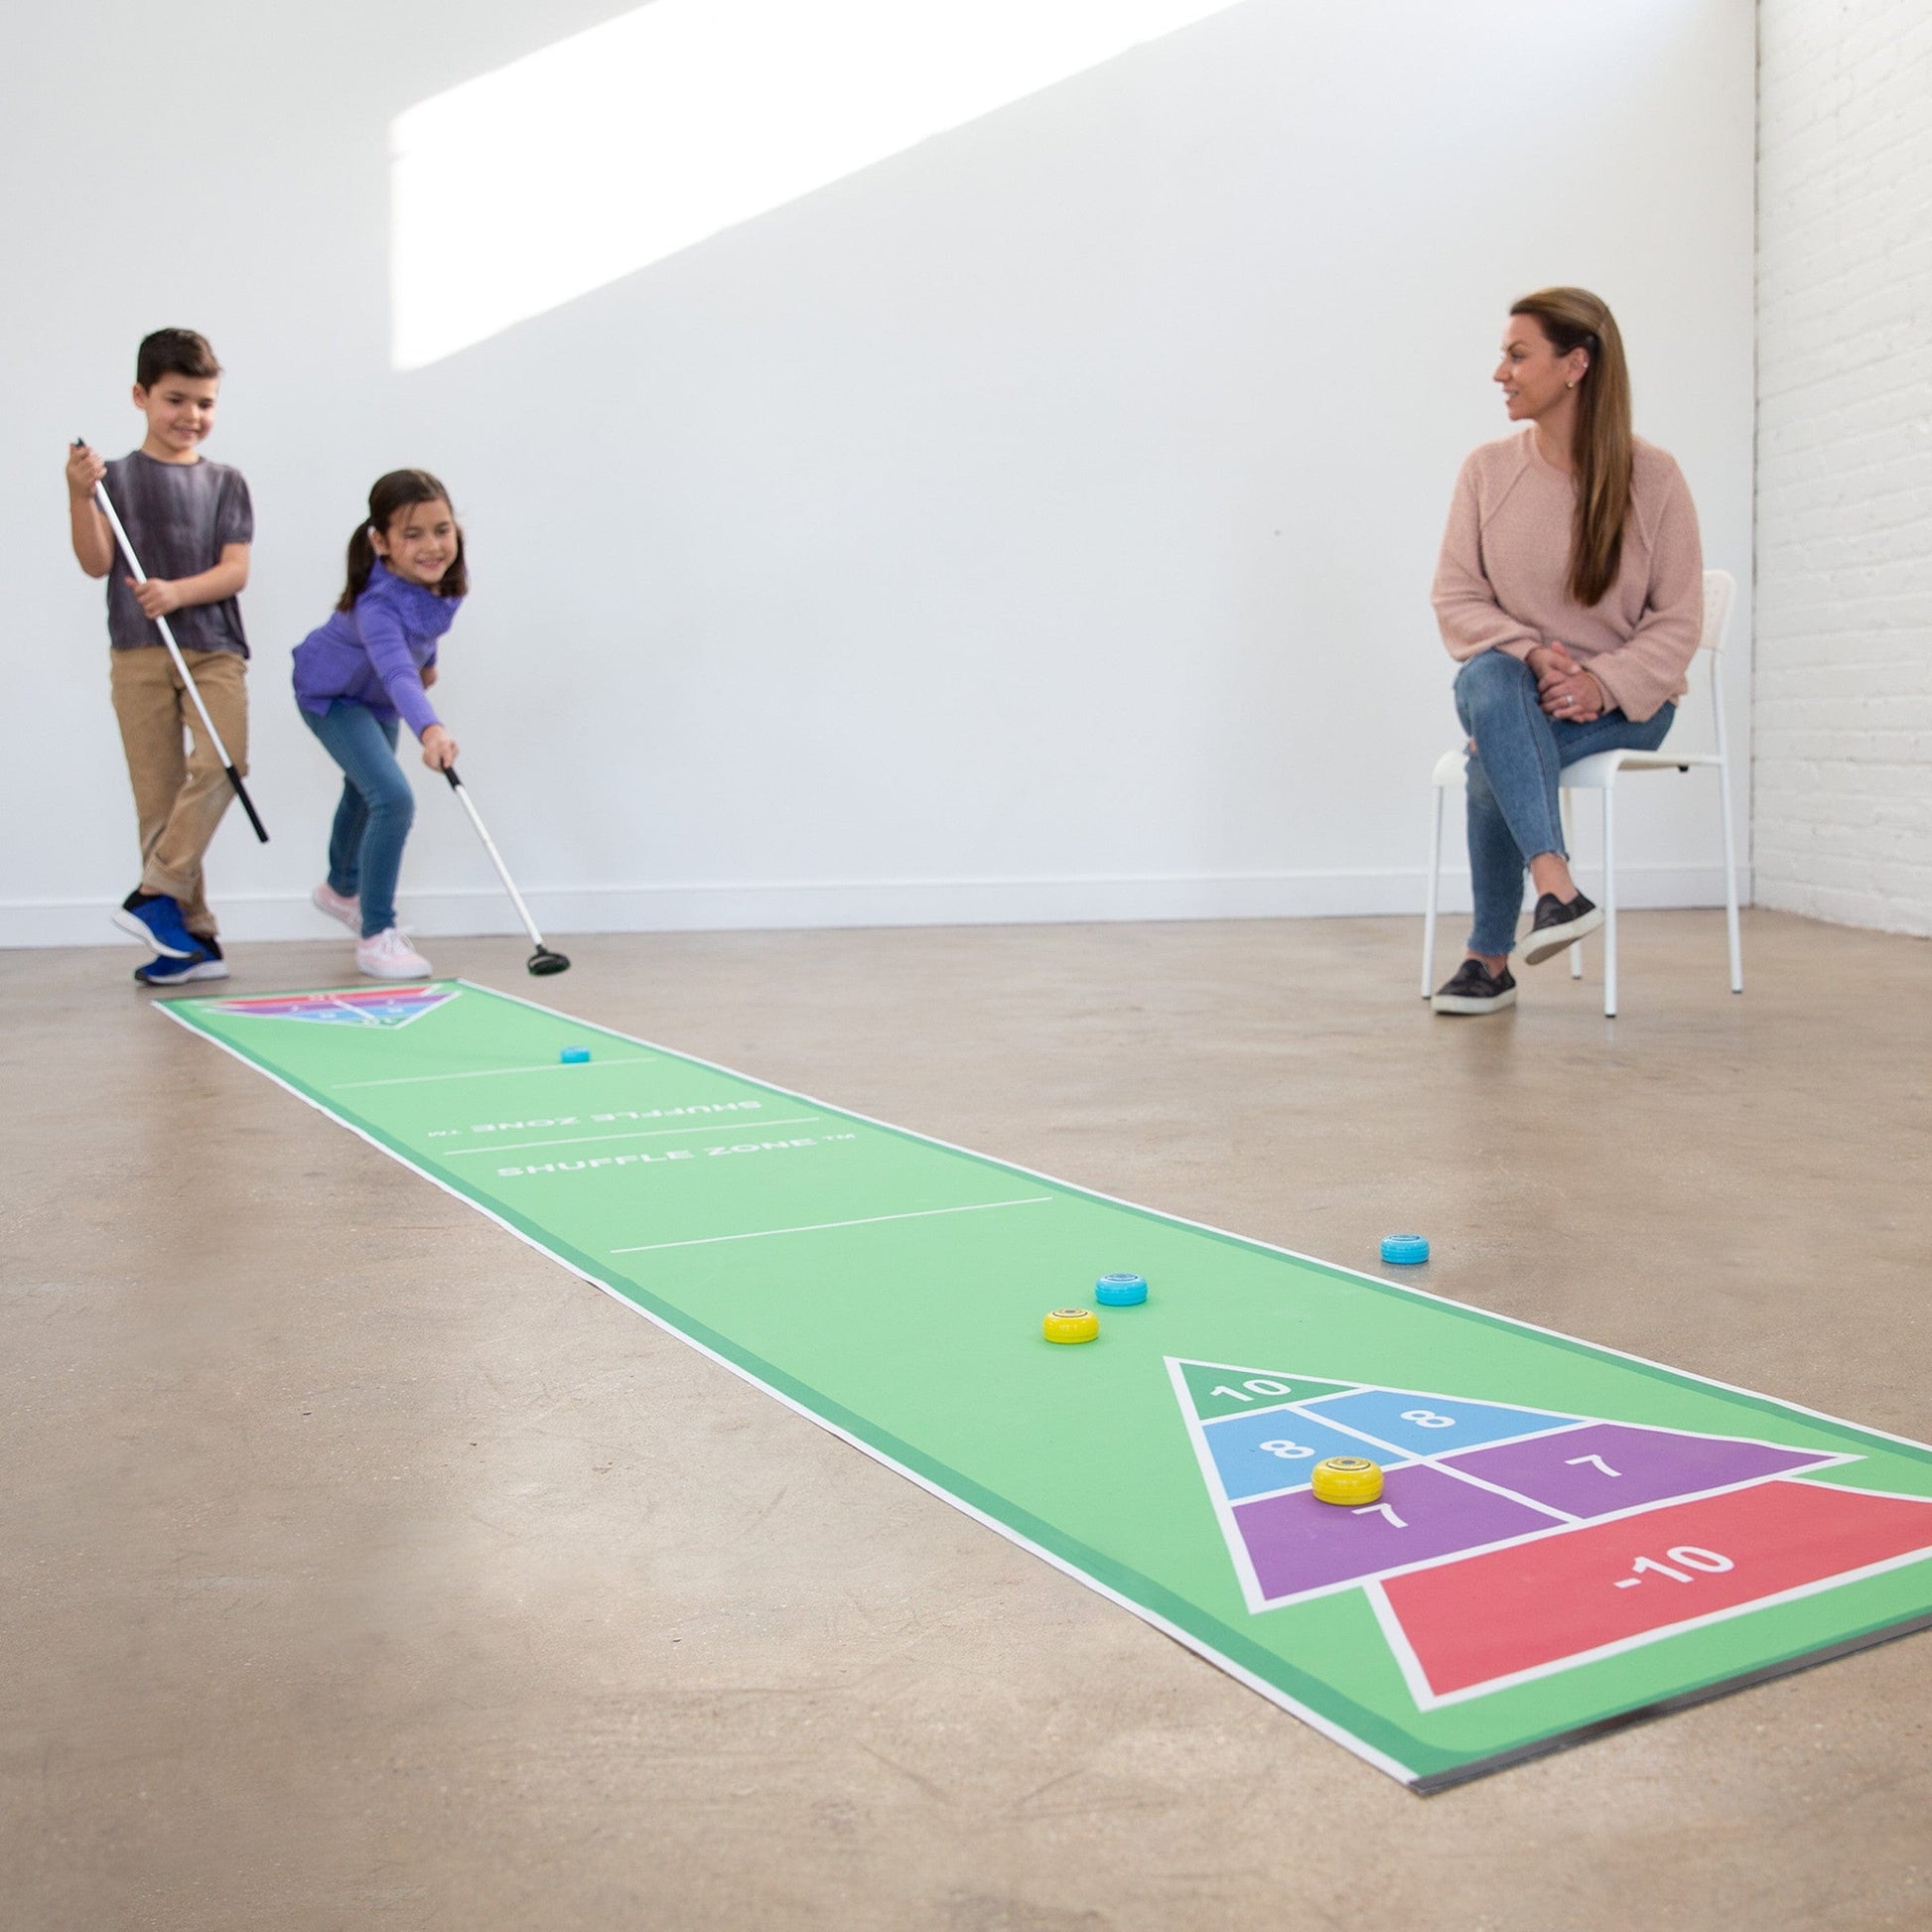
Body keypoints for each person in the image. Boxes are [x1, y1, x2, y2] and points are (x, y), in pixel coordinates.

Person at [1430, 287, 1704, 1015]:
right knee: (1491, 680)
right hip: (1514, 686)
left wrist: (1602, 683)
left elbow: (1679, 622)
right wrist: (1530, 653)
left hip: (1627, 707)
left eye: (1518, 355)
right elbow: (1455, 598)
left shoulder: (1656, 479)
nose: (1501, 372)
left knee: (1494, 748)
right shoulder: (1486, 471)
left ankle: (1489, 959)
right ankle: (1556, 888)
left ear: (1576, 364)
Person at [66, 328, 253, 985]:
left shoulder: (227, 482)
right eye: (176, 400)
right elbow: (95, 563)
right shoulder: (111, 478)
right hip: (138, 655)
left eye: (204, 403)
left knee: (224, 761)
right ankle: (190, 937)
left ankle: (154, 891)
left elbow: (234, 571)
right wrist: (79, 494)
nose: (191, 417)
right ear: (141, 397)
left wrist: (175, 591)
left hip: (214, 649)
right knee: (159, 795)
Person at [292, 471, 465, 980]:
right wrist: (430, 729)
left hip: (377, 701)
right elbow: (394, 668)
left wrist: (428, 658)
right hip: (333, 695)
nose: (432, 546)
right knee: (392, 797)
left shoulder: (443, 583)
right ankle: (375, 935)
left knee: (363, 790)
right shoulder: (376, 604)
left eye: (442, 529)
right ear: (381, 543)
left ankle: (340, 889)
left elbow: (425, 629)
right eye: (412, 535)